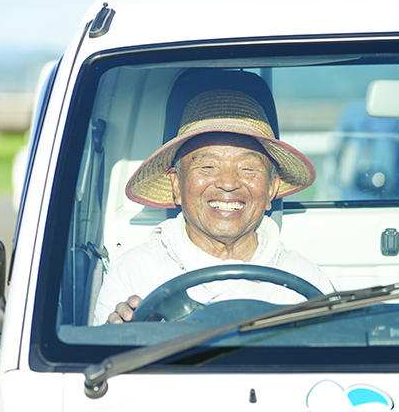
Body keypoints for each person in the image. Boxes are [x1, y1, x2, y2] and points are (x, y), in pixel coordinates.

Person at [92, 88, 334, 325]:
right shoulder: (133, 273)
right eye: (208, 167)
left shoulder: (305, 280)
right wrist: (121, 337)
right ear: (176, 184)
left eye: (248, 169)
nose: (228, 183)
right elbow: (103, 363)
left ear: (271, 189)